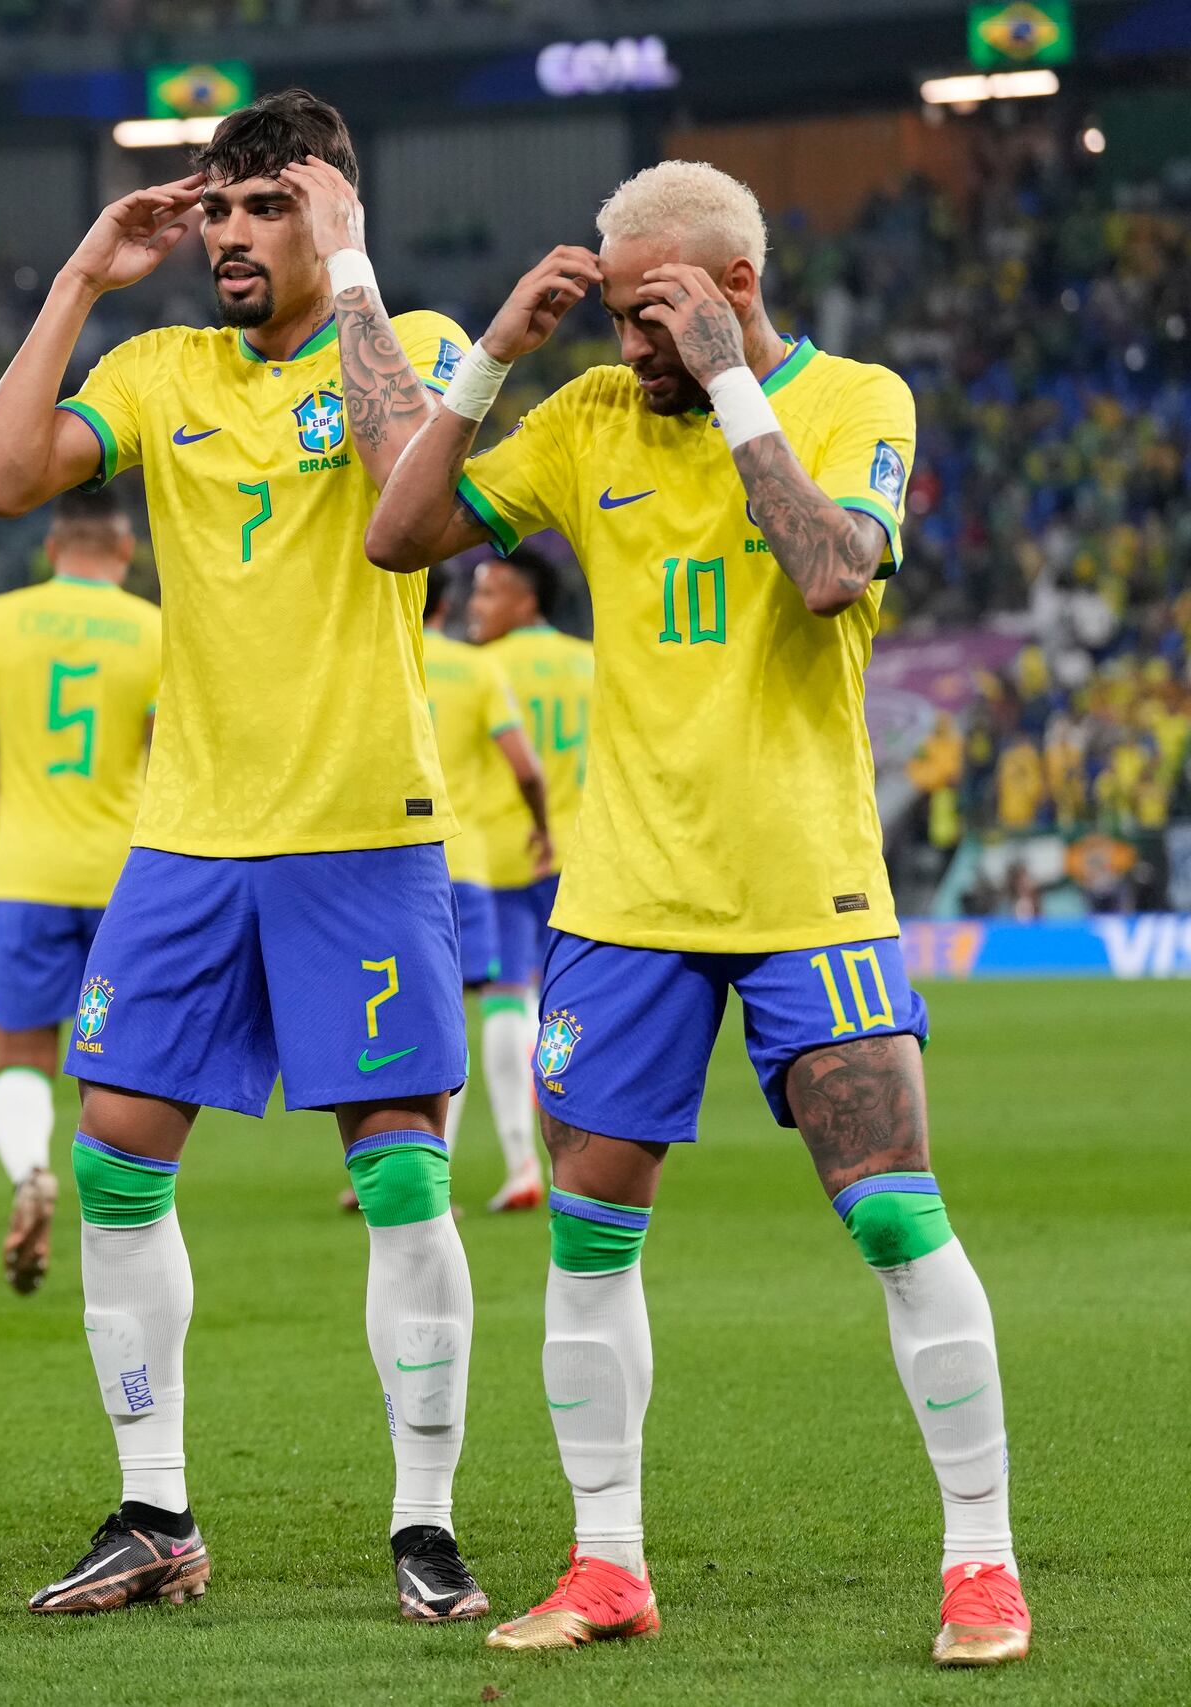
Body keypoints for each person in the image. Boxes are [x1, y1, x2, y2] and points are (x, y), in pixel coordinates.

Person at [365, 159, 1028, 1667]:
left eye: (652, 310)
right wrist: (493, 360)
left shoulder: (858, 397)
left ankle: (982, 1564)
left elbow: (827, 572)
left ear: (734, 286)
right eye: (612, 311)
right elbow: (397, 539)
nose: (630, 342)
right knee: (590, 1245)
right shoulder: (586, 415)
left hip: (810, 885)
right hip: (624, 898)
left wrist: (737, 393)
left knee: (897, 1215)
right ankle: (608, 1562)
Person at [0, 89, 492, 1624]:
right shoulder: (159, 367)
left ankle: (424, 1523)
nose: (231, 237)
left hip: (359, 828)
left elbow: (422, 494)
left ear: (333, 212)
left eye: (269, 208)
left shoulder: (424, 342)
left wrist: (363, 277)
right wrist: (79, 279)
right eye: (219, 211)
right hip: (187, 838)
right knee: (116, 1157)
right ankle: (154, 1510)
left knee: (400, 1178)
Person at [0, 487, 162, 1294]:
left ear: (51, 549)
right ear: (125, 550)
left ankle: (31, 1169)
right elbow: (174, 756)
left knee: (22, 1056)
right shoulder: (152, 629)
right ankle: (123, 1223)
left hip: (26, 872)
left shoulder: (2, 619)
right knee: (122, 1063)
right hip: (125, 880)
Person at [463, 548, 593, 1210]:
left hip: (504, 856)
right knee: (565, 1008)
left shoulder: (479, 669)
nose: (474, 609)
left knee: (504, 1001)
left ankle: (522, 1160)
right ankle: (579, 1153)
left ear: (524, 600)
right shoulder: (592, 663)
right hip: (585, 858)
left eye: (487, 595)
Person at [419, 575, 553, 1190]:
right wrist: (544, 825)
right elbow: (528, 767)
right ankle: (524, 1159)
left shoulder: (372, 662)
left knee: (404, 1017)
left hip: (385, 865)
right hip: (480, 859)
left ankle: (409, 1165)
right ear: (443, 601)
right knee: (502, 998)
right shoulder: (476, 670)